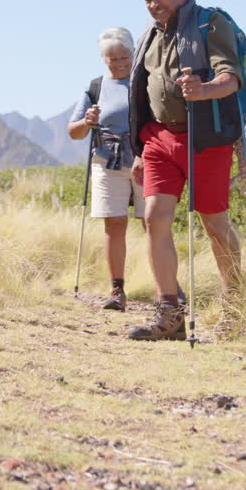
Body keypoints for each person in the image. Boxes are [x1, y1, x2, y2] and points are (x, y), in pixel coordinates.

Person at [127, 0, 243, 341]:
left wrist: (205, 90)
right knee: (154, 217)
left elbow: (231, 76)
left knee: (214, 225)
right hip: (158, 139)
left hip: (206, 139)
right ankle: (169, 311)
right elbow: (144, 91)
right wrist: (139, 149)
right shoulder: (150, 35)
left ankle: (237, 304)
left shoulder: (211, 25)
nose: (152, 4)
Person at [67, 27, 144, 312]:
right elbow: (73, 132)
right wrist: (87, 121)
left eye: (125, 57)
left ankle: (168, 289)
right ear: (103, 59)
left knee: (154, 224)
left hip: (145, 159)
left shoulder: (145, 82)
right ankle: (117, 290)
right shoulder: (96, 87)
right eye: (113, 59)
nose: (120, 64)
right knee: (114, 224)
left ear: (134, 53)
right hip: (106, 161)